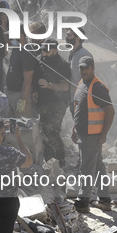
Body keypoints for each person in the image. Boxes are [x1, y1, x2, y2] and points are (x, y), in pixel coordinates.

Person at [72, 56, 115, 213]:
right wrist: (74, 127)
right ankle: (104, 200)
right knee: (97, 167)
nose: (83, 71)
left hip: (92, 135)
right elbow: (79, 108)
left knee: (87, 168)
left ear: (92, 68)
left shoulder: (97, 87)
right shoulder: (82, 84)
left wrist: (104, 134)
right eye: (81, 68)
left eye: (86, 68)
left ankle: (83, 202)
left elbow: (110, 111)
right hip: (84, 133)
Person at [33, 37, 71, 169]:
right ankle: (49, 158)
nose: (44, 54)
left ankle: (60, 158)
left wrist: (49, 85)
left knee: (51, 131)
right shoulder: (40, 59)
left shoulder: (62, 65)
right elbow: (35, 77)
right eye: (43, 51)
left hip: (57, 104)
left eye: (47, 52)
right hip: (42, 102)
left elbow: (65, 86)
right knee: (43, 130)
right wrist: (34, 90)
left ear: (55, 50)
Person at [5, 26, 38, 118]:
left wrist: (23, 100)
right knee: (11, 127)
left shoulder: (28, 52)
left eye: (12, 36)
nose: (10, 39)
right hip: (11, 93)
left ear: (21, 36)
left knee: (23, 127)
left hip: (21, 95)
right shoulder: (17, 48)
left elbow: (28, 78)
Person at [66, 28, 92, 113]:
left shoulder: (84, 55)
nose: (66, 37)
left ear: (77, 38)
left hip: (81, 100)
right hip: (72, 98)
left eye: (69, 35)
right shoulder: (71, 52)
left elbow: (88, 80)